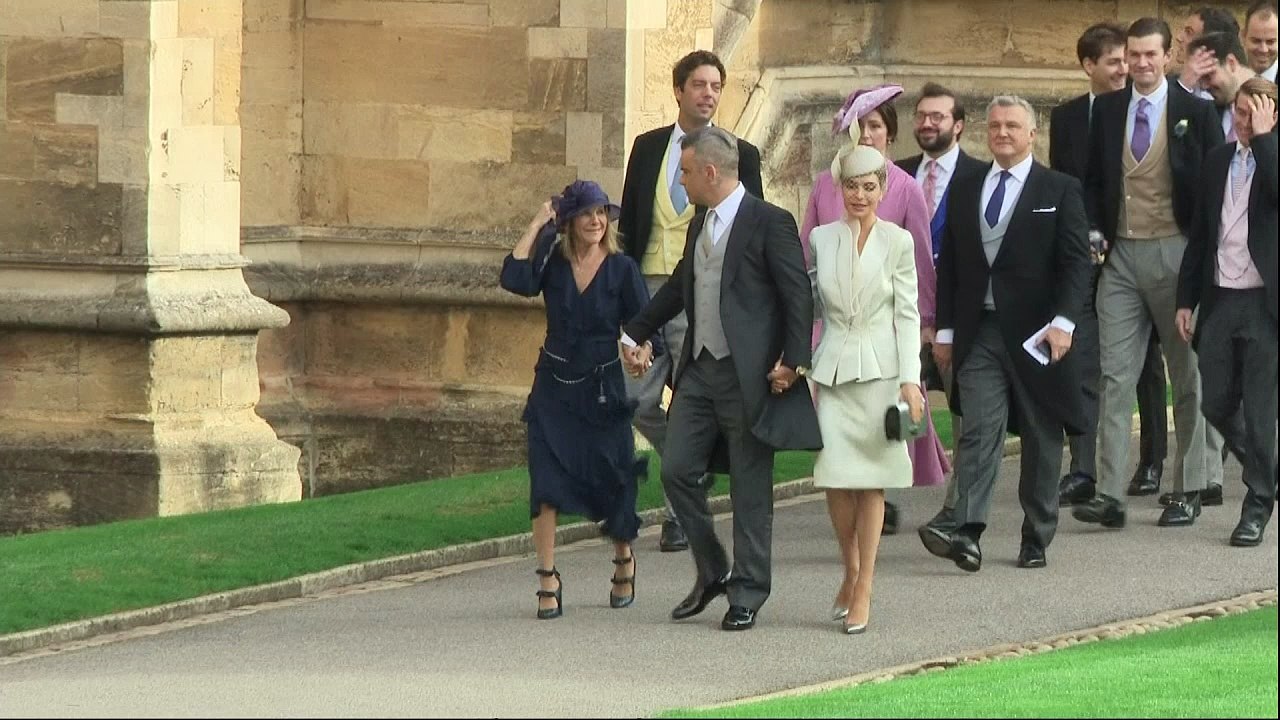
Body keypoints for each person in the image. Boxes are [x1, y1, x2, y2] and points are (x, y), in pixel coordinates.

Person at [621, 126, 820, 632]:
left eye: (685, 172)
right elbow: (684, 285)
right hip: (700, 372)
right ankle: (713, 570)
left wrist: (793, 361)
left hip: (751, 376)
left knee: (751, 488)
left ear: (710, 172)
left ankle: (748, 591)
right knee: (677, 470)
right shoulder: (699, 224)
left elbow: (798, 295)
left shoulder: (770, 221)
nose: (681, 182)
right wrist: (635, 331)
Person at [929, 96, 1092, 572]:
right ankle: (969, 530)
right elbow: (953, 266)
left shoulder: (1059, 189)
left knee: (1042, 437)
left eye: (1013, 126)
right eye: (995, 125)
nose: (1002, 133)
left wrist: (1064, 323)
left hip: (1038, 336)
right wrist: (945, 331)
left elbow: (1075, 264)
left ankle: (1037, 534)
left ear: (1032, 134)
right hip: (980, 333)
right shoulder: (966, 187)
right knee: (979, 430)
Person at [1074, 17, 1225, 531]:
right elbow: (1094, 182)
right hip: (1120, 259)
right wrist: (1096, 233)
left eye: (1149, 54)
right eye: (1132, 54)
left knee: (1187, 376)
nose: (1139, 63)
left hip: (1177, 254)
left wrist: (1200, 269)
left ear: (1167, 57)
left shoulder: (1195, 114)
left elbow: (1210, 197)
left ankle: (1189, 487)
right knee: (1114, 377)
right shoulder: (1109, 109)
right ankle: (1110, 493)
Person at [617, 50, 765, 554]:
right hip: (647, 285)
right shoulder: (648, 146)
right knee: (635, 399)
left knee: (688, 401)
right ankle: (694, 472)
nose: (708, 93)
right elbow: (632, 222)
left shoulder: (739, 153)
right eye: (699, 84)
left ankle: (680, 513)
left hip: (702, 292)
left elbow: (754, 229)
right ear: (678, 91)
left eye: (716, 86)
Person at [499, 180, 658, 619]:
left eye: (602, 213)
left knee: (614, 477)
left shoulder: (622, 269)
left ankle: (624, 559)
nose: (596, 220)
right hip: (553, 387)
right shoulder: (552, 261)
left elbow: (645, 325)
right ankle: (547, 577)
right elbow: (513, 278)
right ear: (569, 221)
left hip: (603, 388)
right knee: (545, 483)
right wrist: (536, 223)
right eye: (587, 213)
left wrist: (641, 351)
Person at [799, 84, 950, 531]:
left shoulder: (905, 189)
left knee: (882, 440)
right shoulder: (825, 186)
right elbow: (806, 259)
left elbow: (919, 262)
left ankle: (874, 504)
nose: (866, 135)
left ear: (889, 133)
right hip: (830, 328)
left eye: (876, 127)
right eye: (860, 126)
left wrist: (926, 324)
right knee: (834, 453)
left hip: (883, 330)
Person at [805, 122, 925, 634]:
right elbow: (808, 305)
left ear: (883, 188)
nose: (859, 195)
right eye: (851, 186)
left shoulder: (898, 242)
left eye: (869, 186)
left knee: (872, 480)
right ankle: (849, 569)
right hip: (832, 370)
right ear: (839, 189)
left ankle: (867, 584)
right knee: (835, 476)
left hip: (881, 371)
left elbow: (907, 313)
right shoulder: (820, 237)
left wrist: (911, 379)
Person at [1177, 77, 1278, 546]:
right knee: (1214, 400)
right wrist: (1185, 299)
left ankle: (1256, 505)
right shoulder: (1218, 160)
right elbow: (1201, 234)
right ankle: (1269, 469)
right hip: (1220, 297)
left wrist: (1265, 141)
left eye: (1251, 114)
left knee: (1260, 410)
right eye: (1238, 112)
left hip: (1264, 303)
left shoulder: (1273, 157)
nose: (1241, 122)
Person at [896, 83, 990, 547]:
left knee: (964, 413)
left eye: (938, 116)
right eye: (921, 116)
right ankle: (885, 498)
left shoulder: (982, 176)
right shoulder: (895, 175)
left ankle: (957, 506)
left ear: (959, 125)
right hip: (902, 312)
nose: (927, 123)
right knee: (892, 405)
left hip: (956, 314)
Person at [1242, 2, 1278, 82]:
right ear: (1243, 36)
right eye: (1256, 41)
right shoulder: (1229, 81)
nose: (1263, 50)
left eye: (1270, 42)